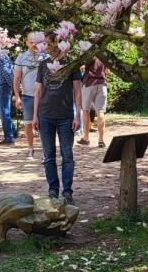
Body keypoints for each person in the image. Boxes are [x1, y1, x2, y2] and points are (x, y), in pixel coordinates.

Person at [32, 32, 83, 204]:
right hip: (45, 115)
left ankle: (67, 192)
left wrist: (78, 114)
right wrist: (35, 116)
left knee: (67, 155)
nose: (45, 47)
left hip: (65, 116)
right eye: (44, 44)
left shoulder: (70, 64)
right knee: (49, 156)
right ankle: (53, 190)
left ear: (57, 43)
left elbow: (77, 90)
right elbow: (38, 91)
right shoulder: (43, 64)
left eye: (48, 43)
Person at [13, 33, 47, 159]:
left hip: (44, 97)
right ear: (26, 42)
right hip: (27, 96)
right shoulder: (21, 58)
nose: (34, 45)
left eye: (36, 42)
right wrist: (17, 96)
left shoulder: (45, 57)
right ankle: (30, 148)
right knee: (28, 124)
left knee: (45, 124)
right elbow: (16, 79)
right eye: (31, 42)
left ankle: (45, 150)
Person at [79, 57, 108, 148]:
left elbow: (81, 67)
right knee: (101, 112)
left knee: (86, 110)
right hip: (102, 83)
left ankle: (86, 137)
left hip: (89, 83)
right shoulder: (105, 53)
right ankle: (101, 140)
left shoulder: (90, 51)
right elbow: (108, 70)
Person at [0, 46, 17, 145]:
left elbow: (7, 73)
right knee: (2, 111)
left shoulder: (1, 57)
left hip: (4, 86)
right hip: (3, 86)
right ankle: (13, 132)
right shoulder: (3, 57)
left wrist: (14, 86)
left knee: (4, 112)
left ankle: (9, 137)